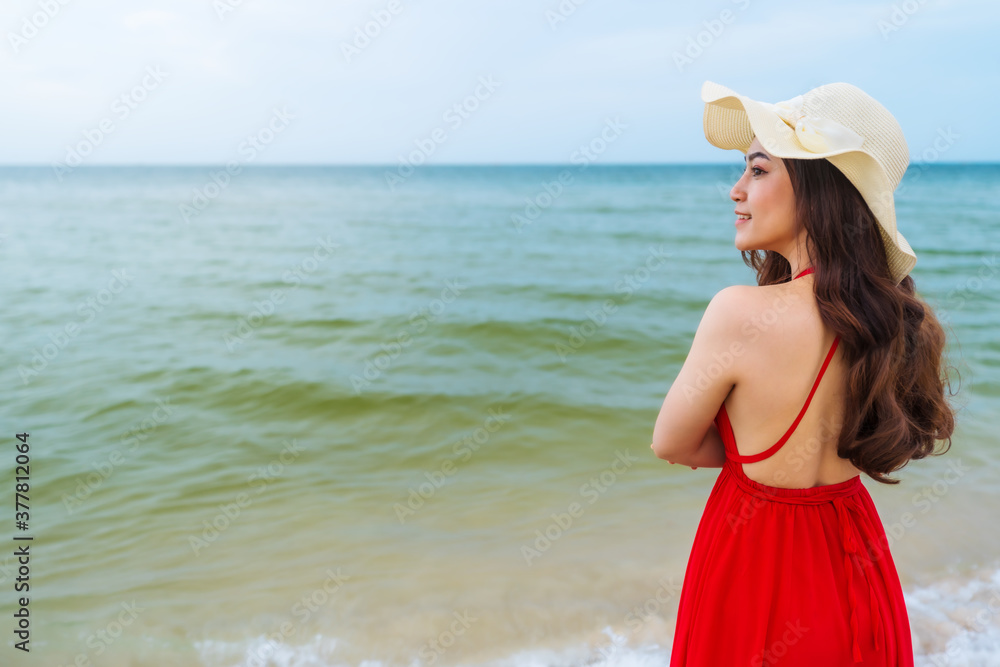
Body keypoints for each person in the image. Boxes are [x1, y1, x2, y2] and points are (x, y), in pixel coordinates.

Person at [649, 81, 958, 665]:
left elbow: (671, 442)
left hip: (752, 551)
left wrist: (751, 453)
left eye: (759, 171)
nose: (736, 190)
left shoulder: (739, 311)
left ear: (818, 190)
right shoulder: (895, 320)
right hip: (854, 553)